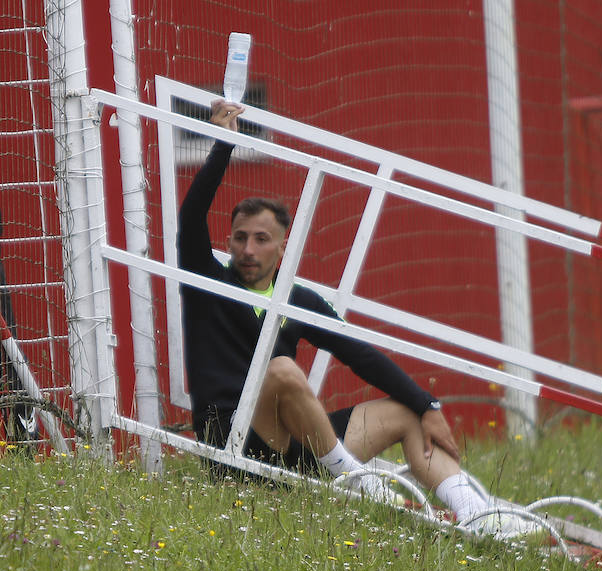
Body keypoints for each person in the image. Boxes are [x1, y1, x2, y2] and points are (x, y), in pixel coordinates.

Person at [177, 99, 536, 539]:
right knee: (283, 369)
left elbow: (360, 355)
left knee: (405, 412)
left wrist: (428, 405)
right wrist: (221, 145)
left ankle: (478, 517)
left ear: (284, 247)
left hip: (297, 449)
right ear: (228, 242)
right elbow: (192, 215)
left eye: (261, 239)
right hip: (236, 444)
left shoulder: (299, 298)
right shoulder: (205, 280)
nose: (248, 249)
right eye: (239, 238)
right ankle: (360, 485)